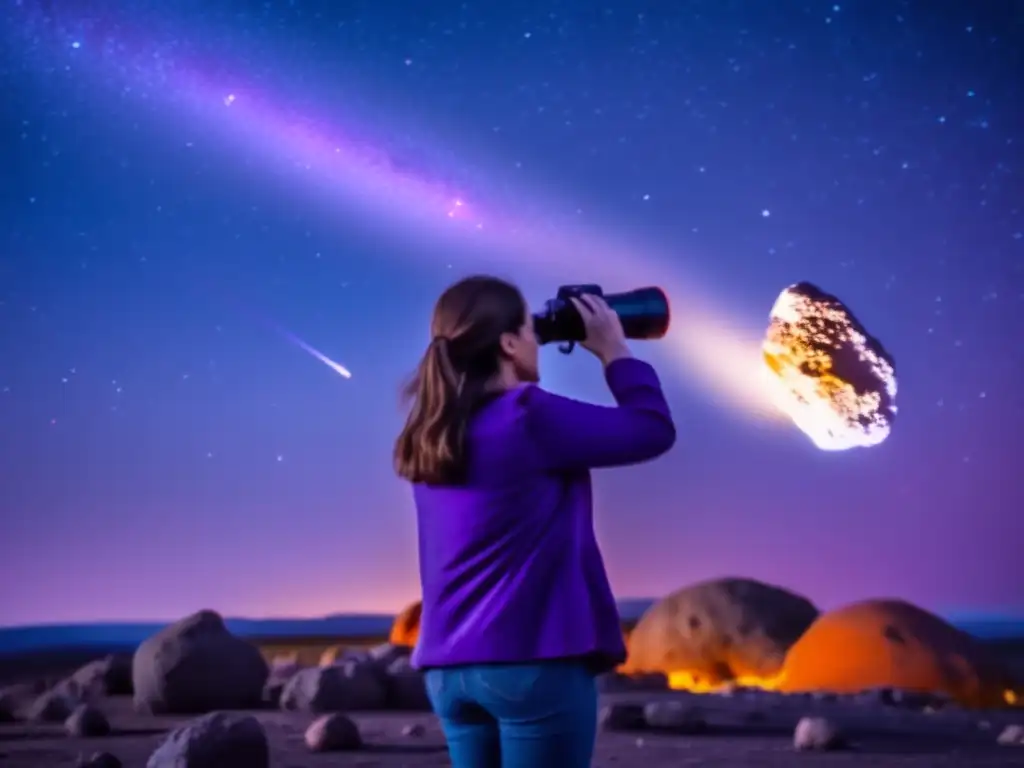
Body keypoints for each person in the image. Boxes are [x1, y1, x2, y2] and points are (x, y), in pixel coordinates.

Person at [393, 275, 677, 768]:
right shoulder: (526, 415)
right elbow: (651, 430)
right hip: (530, 662)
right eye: (529, 330)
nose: (535, 342)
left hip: (449, 673)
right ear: (506, 343)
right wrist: (614, 350)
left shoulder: (431, 435)